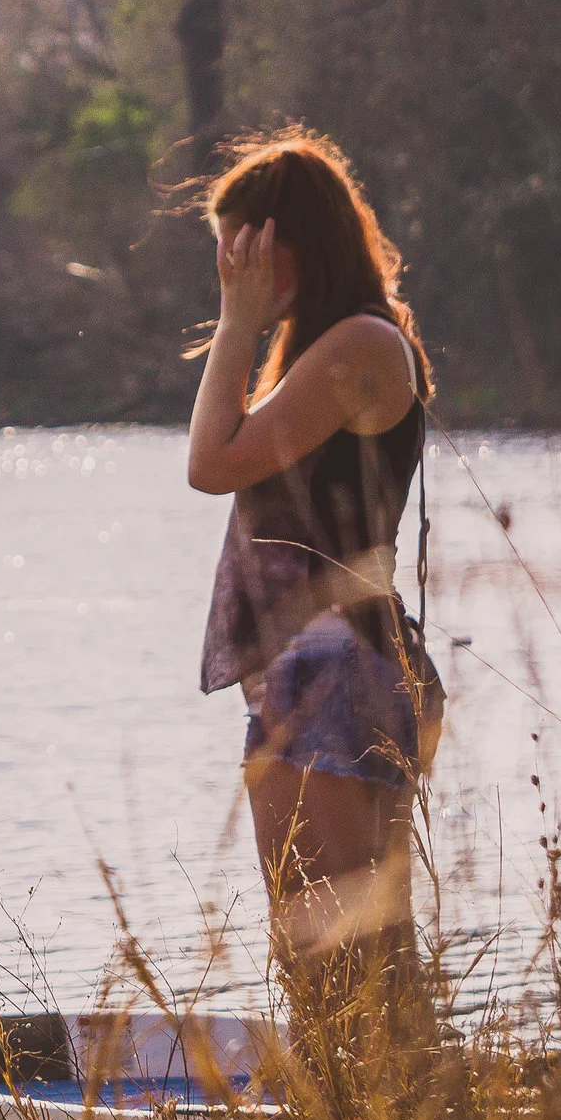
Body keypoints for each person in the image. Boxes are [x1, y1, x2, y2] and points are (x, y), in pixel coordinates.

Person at [185, 130, 438, 1062]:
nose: (230, 266)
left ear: (287, 240)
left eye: (243, 246)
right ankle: (369, 1119)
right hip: (316, 670)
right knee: (328, 953)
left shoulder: (361, 343)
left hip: (341, 665)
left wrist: (236, 323)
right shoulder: (324, 346)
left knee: (343, 954)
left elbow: (211, 463)